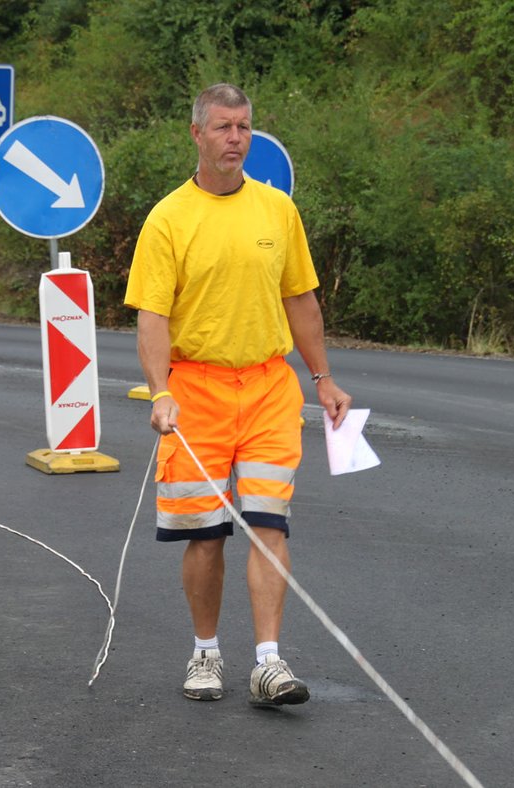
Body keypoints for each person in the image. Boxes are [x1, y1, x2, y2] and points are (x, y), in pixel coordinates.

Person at [124, 84, 352, 706]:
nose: (235, 139)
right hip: (196, 388)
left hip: (269, 387)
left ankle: (269, 663)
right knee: (204, 533)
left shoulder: (277, 211)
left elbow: (300, 298)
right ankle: (206, 652)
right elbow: (152, 315)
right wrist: (160, 392)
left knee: (268, 524)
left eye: (244, 127)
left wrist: (322, 377)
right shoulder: (169, 217)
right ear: (196, 134)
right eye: (223, 127)